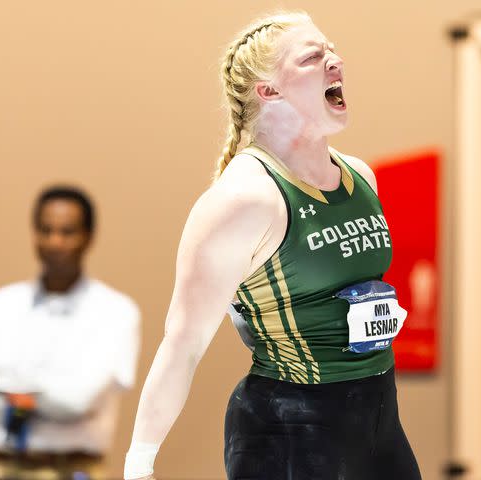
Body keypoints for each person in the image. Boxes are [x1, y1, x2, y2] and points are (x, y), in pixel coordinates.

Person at [124, 11, 421, 480]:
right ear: (268, 90)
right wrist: (139, 462)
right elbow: (183, 342)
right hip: (289, 428)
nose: (335, 62)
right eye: (312, 57)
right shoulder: (246, 198)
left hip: (379, 416)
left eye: (332, 49)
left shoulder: (360, 175)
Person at [0, 186, 141, 480]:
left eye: (67, 231)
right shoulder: (2, 305)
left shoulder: (115, 311)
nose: (55, 242)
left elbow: (78, 401)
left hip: (74, 468)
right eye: (45, 230)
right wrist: (48, 390)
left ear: (88, 236)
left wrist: (8, 387)